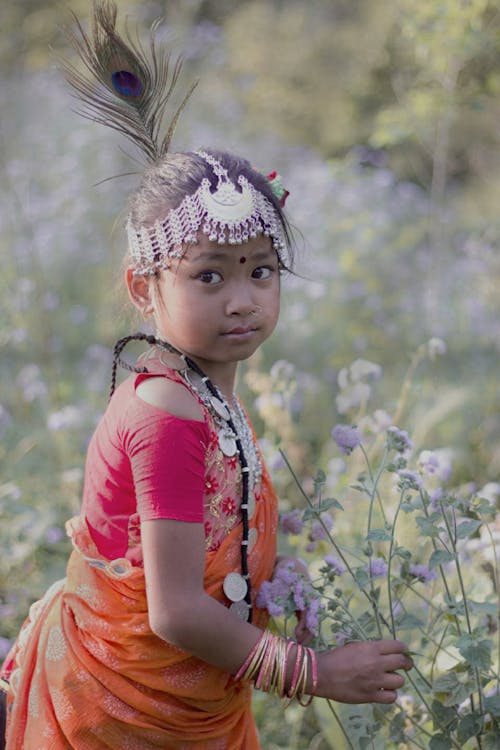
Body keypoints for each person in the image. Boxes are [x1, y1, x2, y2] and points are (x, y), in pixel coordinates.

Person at [0, 2, 413, 748]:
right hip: (123, 710)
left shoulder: (205, 391)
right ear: (142, 288)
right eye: (210, 276)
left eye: (260, 271)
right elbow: (176, 613)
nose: (243, 299)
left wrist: (281, 586)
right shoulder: (166, 412)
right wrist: (313, 671)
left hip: (193, 700)